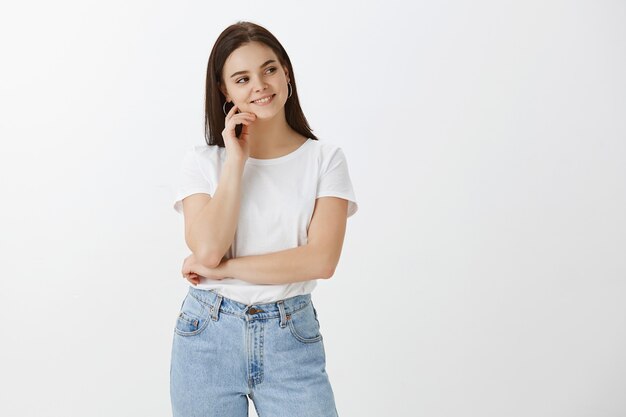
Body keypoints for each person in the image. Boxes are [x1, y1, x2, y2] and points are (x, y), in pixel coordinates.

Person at [169, 21, 358, 417]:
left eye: (269, 69)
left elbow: (320, 260)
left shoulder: (325, 160)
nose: (260, 85)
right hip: (207, 336)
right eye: (242, 78)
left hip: (290, 336)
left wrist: (223, 270)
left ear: (286, 71)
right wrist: (236, 160)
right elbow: (207, 248)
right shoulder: (203, 163)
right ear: (225, 91)